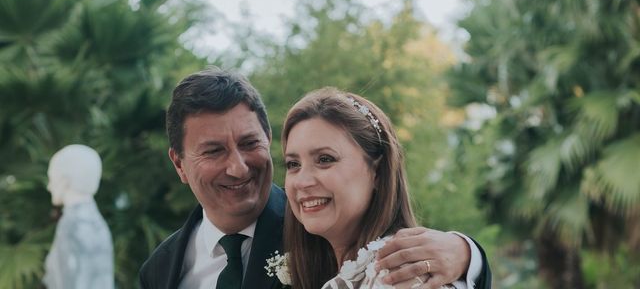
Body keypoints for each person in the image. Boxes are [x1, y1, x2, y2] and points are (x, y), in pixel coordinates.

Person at [139, 68, 490, 289]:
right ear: (180, 165)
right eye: (213, 151)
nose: (239, 168)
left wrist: (467, 255)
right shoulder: (160, 269)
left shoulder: (318, 223)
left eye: (250, 144)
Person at [281, 88, 491, 289]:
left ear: (378, 173)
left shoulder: (399, 277)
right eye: (293, 164)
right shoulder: (335, 271)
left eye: (325, 159)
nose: (302, 181)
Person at [44, 144, 114, 289]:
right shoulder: (95, 221)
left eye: (52, 178)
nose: (49, 186)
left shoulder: (72, 224)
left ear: (65, 180)